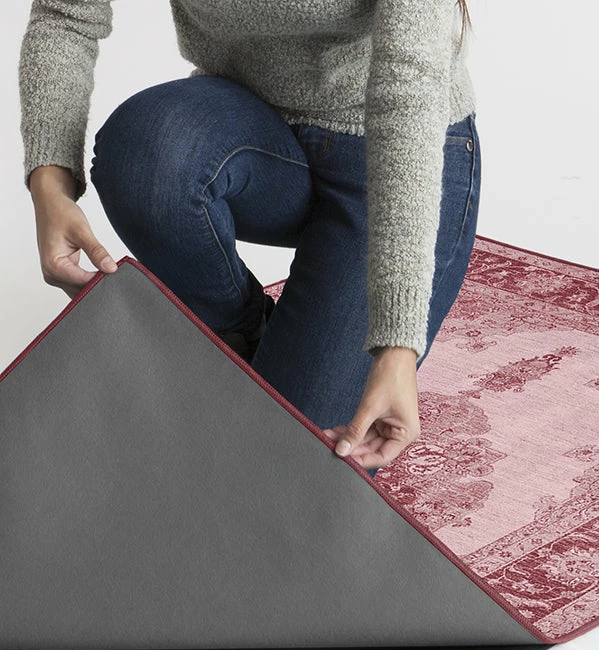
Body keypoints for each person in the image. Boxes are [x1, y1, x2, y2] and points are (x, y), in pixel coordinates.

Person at [18, 0, 481, 479]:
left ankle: (286, 365)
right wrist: (49, 188)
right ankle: (243, 337)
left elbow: (409, 84)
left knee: (284, 470)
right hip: (253, 131)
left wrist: (397, 344)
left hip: (399, 154)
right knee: (146, 151)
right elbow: (66, 15)